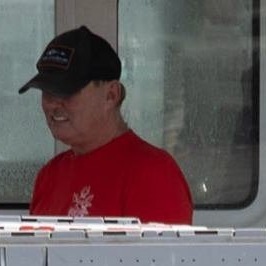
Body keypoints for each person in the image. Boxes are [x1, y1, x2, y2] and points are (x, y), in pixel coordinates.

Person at [22, 26, 194, 225]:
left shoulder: (153, 174)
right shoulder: (49, 176)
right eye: (47, 92)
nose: (52, 104)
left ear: (111, 95)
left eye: (65, 91)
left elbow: (163, 256)